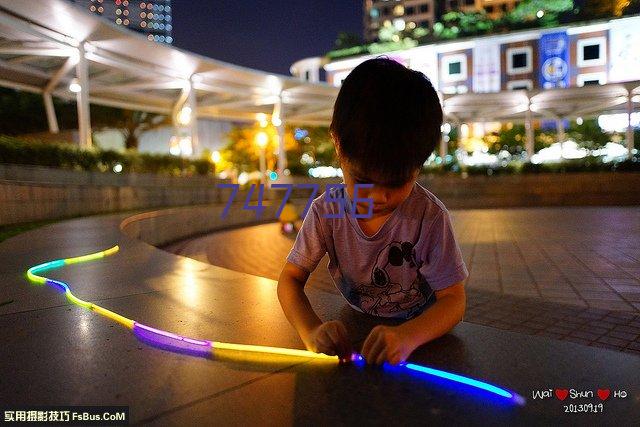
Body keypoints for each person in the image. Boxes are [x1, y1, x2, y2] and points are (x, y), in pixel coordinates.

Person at [276, 58, 468, 366]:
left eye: (395, 183)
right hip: (357, 319)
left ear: (419, 164)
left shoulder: (429, 217)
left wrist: (409, 336)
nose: (378, 197)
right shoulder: (329, 211)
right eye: (363, 181)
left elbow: (453, 301)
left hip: (422, 331)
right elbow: (290, 280)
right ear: (338, 143)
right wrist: (311, 331)